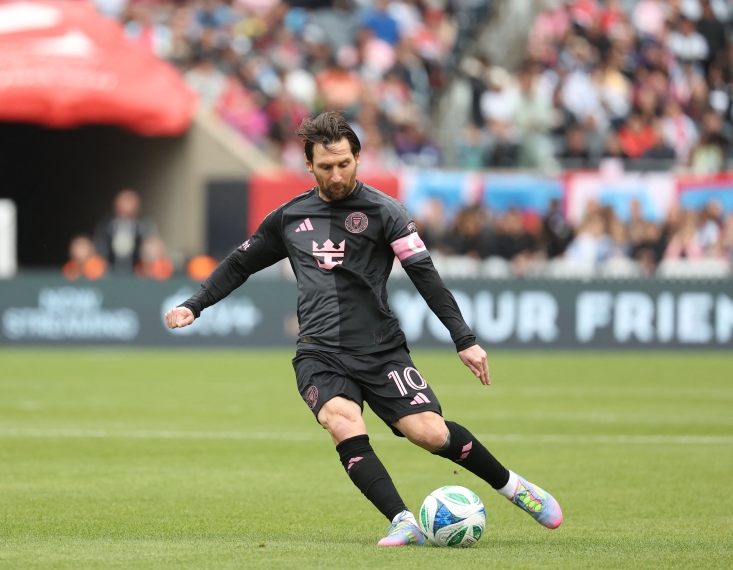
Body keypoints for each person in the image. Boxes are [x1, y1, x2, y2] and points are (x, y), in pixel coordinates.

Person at [164, 112, 562, 546]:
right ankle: (402, 520)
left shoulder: (386, 212)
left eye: (344, 164)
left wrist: (463, 338)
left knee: (430, 433)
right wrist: (194, 305)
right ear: (309, 165)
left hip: (381, 349)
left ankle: (514, 488)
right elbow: (241, 263)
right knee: (342, 421)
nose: (336, 175)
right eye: (326, 166)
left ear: (358, 158)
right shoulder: (290, 217)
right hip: (319, 352)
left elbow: (425, 276)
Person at [94, 190, 155, 274]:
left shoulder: (144, 226)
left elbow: (152, 246)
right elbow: (100, 246)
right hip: (110, 273)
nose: (126, 210)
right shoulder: (107, 226)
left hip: (137, 274)